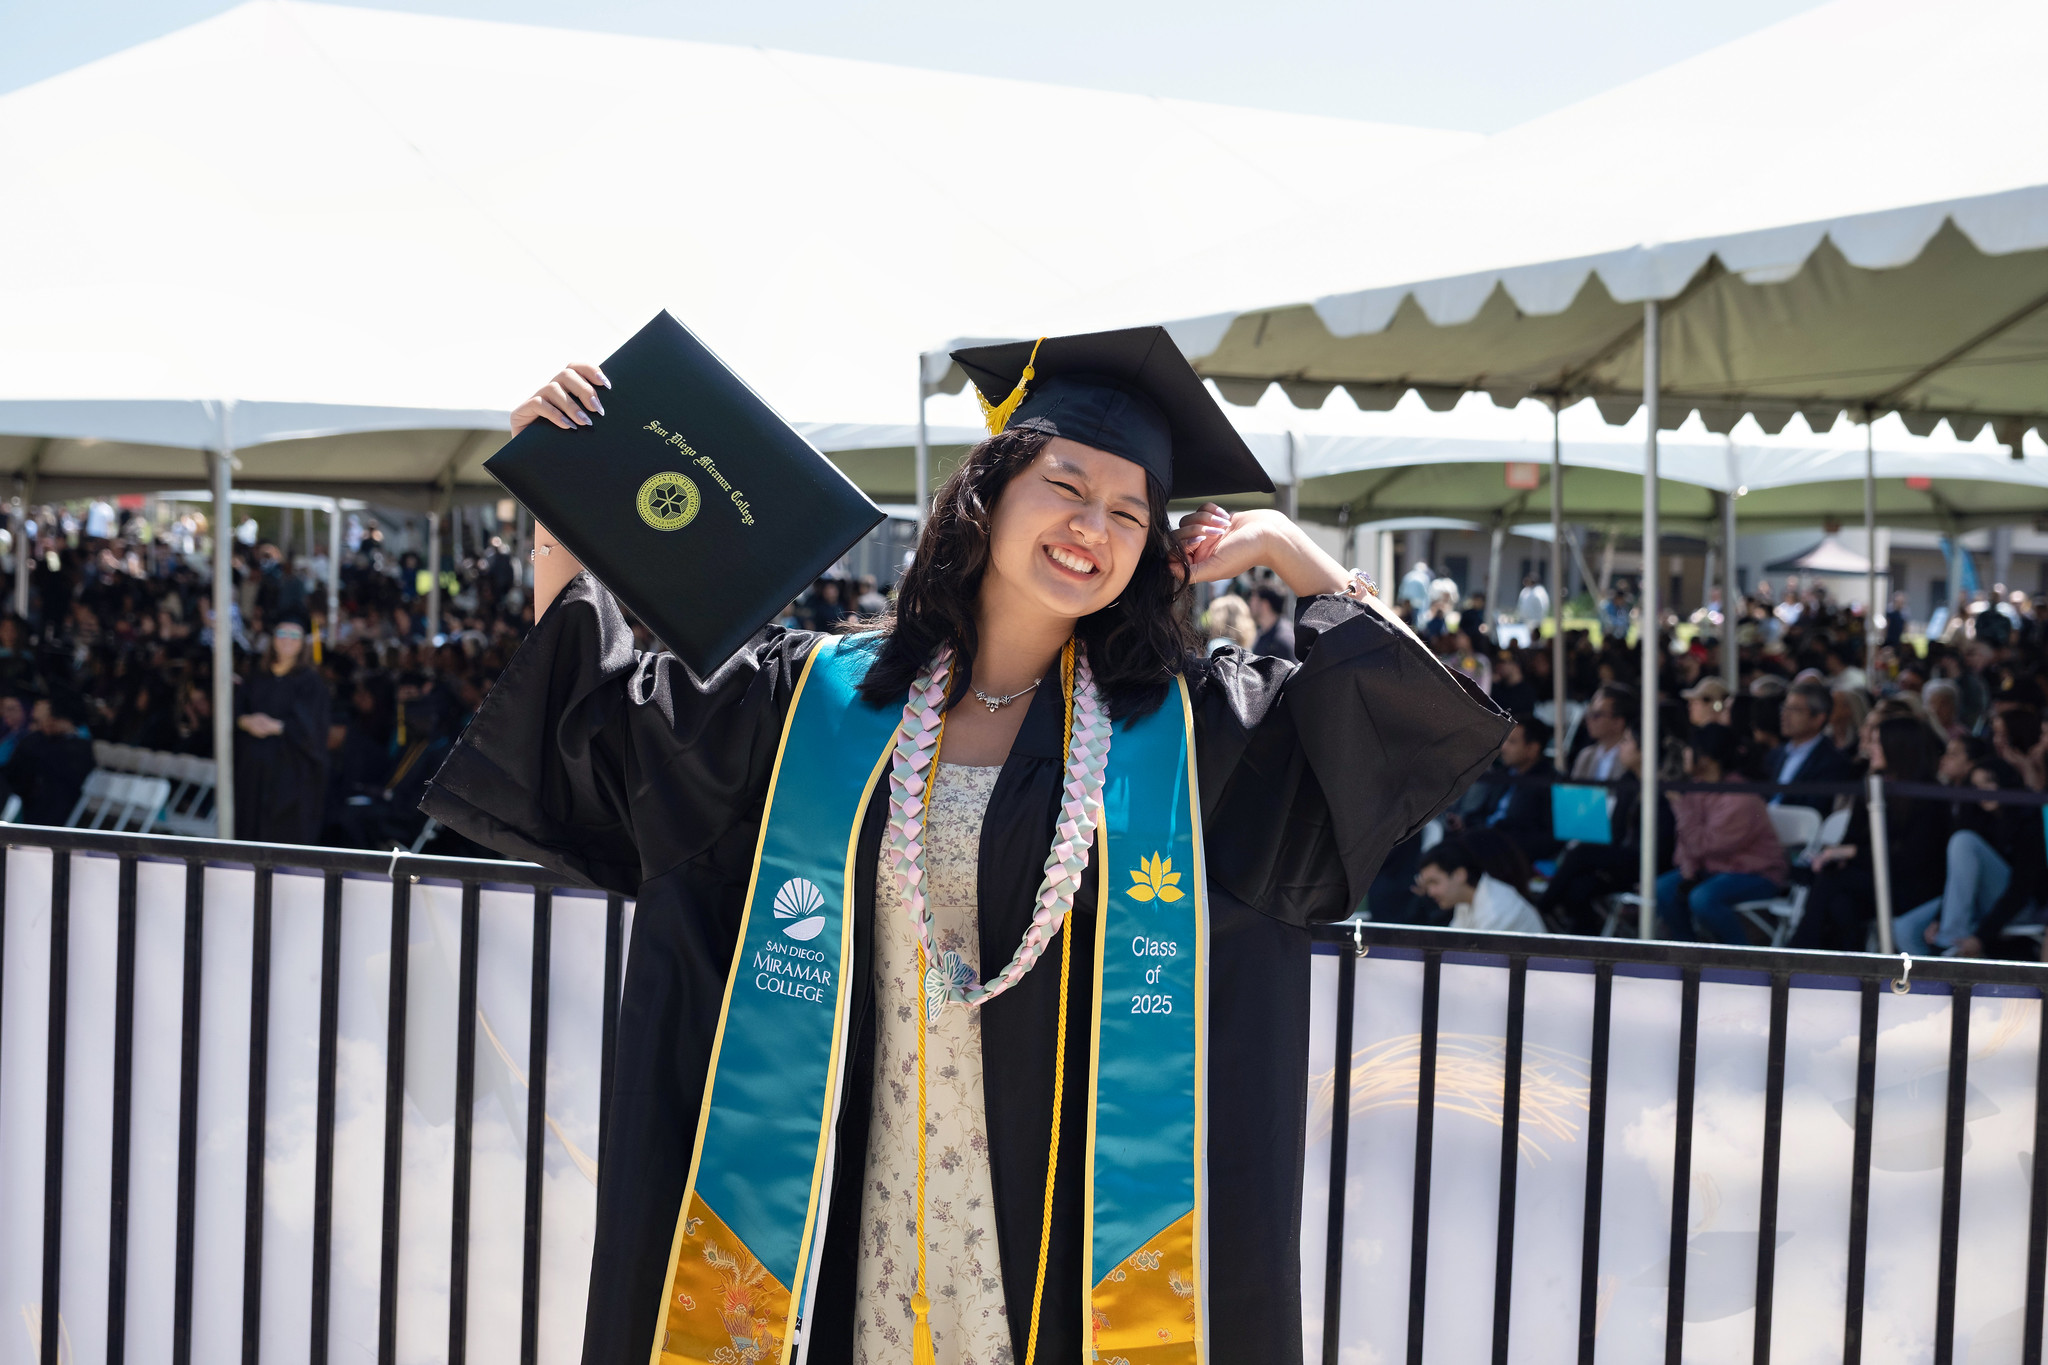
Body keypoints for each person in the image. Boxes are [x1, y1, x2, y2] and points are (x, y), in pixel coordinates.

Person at [422, 331, 1509, 1365]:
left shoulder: (1186, 734)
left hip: (1072, 1228)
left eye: (1131, 511)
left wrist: (1285, 551)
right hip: (859, 1188)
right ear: (986, 495)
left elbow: (1398, 713)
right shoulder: (821, 697)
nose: (1095, 525)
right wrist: (563, 507)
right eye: (1066, 486)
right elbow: (610, 734)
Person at [1793, 717, 1949, 951]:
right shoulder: (1872, 787)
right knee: (1841, 904)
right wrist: (1840, 856)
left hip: (1912, 889)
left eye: (1877, 742)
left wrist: (1852, 853)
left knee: (1833, 882)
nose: (1869, 748)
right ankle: (1847, 972)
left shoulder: (1929, 796)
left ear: (1897, 747)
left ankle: (1799, 952)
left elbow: (1910, 861)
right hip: (1870, 881)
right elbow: (1850, 838)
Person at [1894, 756, 2042, 955]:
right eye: (1976, 786)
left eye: (1988, 782)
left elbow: (2021, 889)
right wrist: (1939, 918)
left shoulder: (2028, 818)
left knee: (1963, 841)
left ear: (2004, 781)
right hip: (1976, 904)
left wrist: (1981, 937)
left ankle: (1948, 945)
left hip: (2020, 906)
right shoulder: (1978, 817)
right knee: (1903, 929)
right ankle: (1938, 981)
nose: (1983, 791)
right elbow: (1959, 881)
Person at [1657, 725, 1787, 944]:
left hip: (1754, 873)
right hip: (1712, 870)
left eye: (1691, 749)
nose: (1685, 754)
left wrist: (1680, 807)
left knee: (1703, 899)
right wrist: (1688, 870)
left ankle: (1738, 956)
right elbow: (1686, 842)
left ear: (1706, 757)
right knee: (1663, 889)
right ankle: (1685, 951)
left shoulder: (1740, 798)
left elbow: (1704, 844)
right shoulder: (1697, 787)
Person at [234, 618, 331, 843]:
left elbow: (315, 728)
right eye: (282, 634)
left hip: (290, 774)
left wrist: (278, 726)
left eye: (295, 636)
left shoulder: (311, 683)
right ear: (273, 640)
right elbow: (237, 710)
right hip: (252, 773)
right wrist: (245, 721)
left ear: (303, 643)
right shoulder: (257, 676)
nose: (288, 640)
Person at [1456, 717, 1555, 864]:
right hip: (1484, 844)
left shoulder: (1549, 783)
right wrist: (1464, 822)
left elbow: (1546, 838)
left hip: (1513, 856)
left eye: (1512, 742)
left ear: (1532, 748)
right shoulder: (1503, 775)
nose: (1504, 748)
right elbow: (1483, 812)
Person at [1414, 831, 1546, 934]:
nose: (1430, 892)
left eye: (1434, 882)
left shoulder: (1495, 910)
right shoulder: (1468, 899)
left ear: (1460, 874)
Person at [3, 694, 96, 824]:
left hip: (53, 810)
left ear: (61, 720)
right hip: (23, 798)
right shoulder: (37, 739)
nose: (44, 725)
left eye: (44, 720)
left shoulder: (79, 747)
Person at [1766, 681, 1855, 813]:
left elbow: (1814, 808)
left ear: (1818, 718)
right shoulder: (1774, 754)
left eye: (1794, 709)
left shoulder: (1833, 762)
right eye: (1784, 708)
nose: (1785, 715)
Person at [1570, 683, 1635, 781]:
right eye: (1589, 713)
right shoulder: (1586, 756)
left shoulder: (1632, 759)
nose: (1589, 720)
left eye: (1596, 715)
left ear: (1618, 722)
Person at [1249, 583, 1297, 660]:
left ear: (1264, 605)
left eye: (1253, 600)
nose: (1250, 604)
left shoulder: (1284, 639)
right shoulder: (1263, 633)